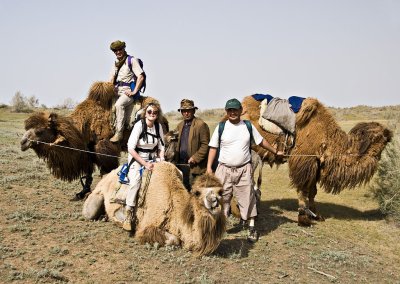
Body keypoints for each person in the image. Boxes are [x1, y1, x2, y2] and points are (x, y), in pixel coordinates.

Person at [206, 98, 284, 242]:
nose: (233, 113)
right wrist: (209, 167)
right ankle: (220, 228)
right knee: (220, 198)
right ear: (227, 112)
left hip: (243, 169)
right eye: (230, 110)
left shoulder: (248, 126)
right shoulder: (221, 127)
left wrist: (275, 151)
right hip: (223, 169)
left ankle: (252, 228)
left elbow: (261, 142)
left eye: (235, 110)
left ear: (240, 111)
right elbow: (213, 147)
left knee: (248, 197)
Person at [123, 103, 165, 231]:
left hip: (153, 159)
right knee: (135, 182)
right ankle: (128, 214)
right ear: (145, 113)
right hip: (137, 158)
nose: (152, 114)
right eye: (150, 111)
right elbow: (130, 148)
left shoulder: (158, 127)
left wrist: (161, 158)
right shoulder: (139, 126)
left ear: (158, 114)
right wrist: (145, 163)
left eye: (155, 112)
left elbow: (161, 146)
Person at [109, 40, 146, 142]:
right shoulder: (115, 64)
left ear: (123, 49)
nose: (118, 52)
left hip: (128, 91)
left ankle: (119, 133)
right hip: (117, 91)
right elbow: (111, 79)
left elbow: (141, 76)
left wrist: (134, 92)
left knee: (118, 105)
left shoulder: (131, 60)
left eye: (120, 49)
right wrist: (111, 89)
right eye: (115, 50)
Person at [174, 99, 210, 190]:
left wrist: (195, 158)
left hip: (195, 169)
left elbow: (205, 145)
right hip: (181, 166)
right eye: (184, 111)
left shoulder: (201, 125)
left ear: (193, 111)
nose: (186, 113)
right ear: (181, 112)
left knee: (195, 194)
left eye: (188, 110)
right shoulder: (180, 125)